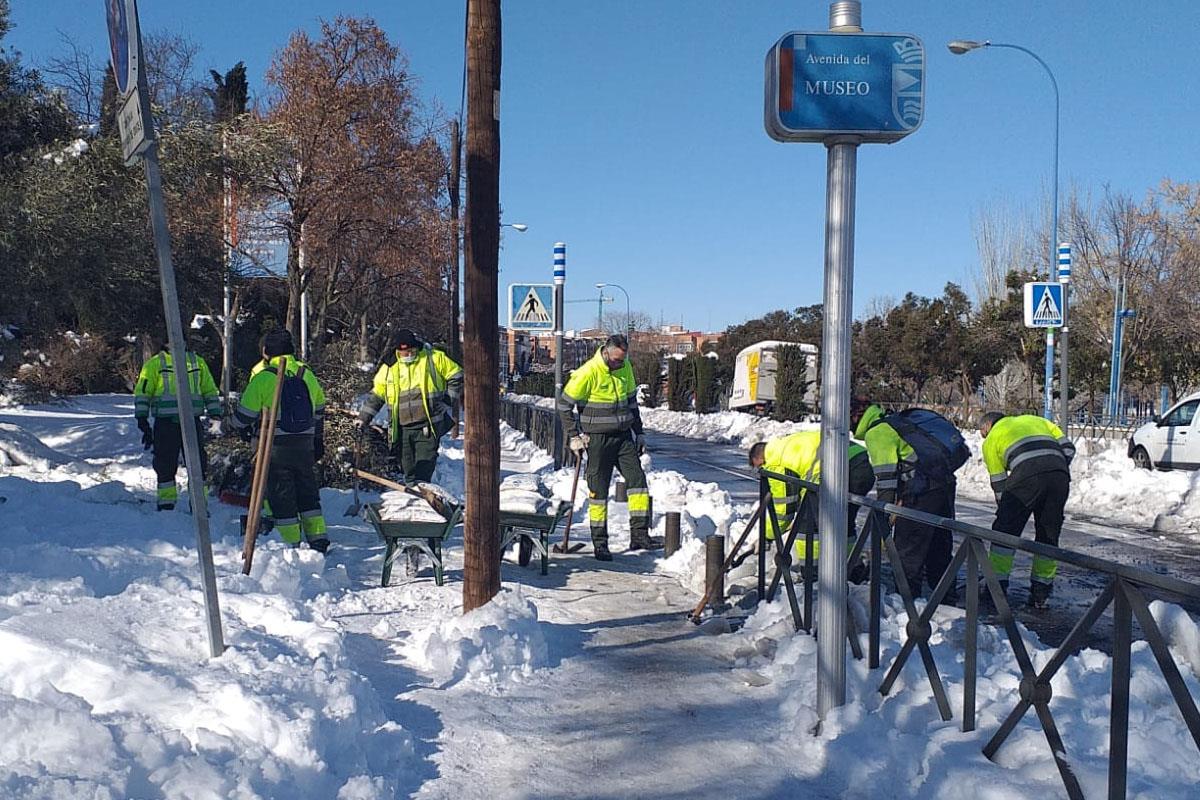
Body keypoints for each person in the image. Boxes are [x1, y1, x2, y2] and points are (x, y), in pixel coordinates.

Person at [851, 398, 970, 602]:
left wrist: (884, 516)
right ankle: (946, 600)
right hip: (943, 484)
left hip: (921, 491)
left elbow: (886, 480)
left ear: (854, 418)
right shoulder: (895, 422)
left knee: (907, 551)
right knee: (939, 545)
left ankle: (907, 605)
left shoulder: (877, 432)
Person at [230, 330, 329, 553]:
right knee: (307, 491)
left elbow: (244, 416)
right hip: (304, 445)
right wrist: (317, 438)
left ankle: (290, 544)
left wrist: (234, 426)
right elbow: (321, 407)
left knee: (281, 495)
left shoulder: (265, 378)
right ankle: (318, 538)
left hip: (276, 448)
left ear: (266, 352)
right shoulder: (306, 374)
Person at [557, 334, 652, 560]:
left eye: (623, 359)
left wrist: (639, 432)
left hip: (623, 437)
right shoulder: (587, 373)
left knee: (637, 482)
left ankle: (639, 533)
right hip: (597, 439)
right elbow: (563, 406)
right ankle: (600, 543)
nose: (620, 364)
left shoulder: (625, 366)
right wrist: (574, 436)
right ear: (606, 352)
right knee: (598, 491)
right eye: (617, 360)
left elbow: (631, 402)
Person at [979, 411, 1075, 609]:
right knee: (1048, 534)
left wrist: (1005, 511)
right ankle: (1041, 593)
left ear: (987, 426)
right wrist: (1053, 465)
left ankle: (995, 587)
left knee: (1004, 533)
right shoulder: (1035, 419)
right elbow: (1069, 447)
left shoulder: (992, 439)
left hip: (1026, 475)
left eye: (982, 432)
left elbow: (999, 483)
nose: (982, 436)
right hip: (1059, 475)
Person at [748, 431, 874, 581]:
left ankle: (813, 576)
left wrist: (767, 536)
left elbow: (784, 511)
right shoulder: (785, 444)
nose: (762, 472)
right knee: (844, 522)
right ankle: (853, 570)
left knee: (806, 525)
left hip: (839, 470)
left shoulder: (775, 462)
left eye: (760, 468)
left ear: (760, 458)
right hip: (860, 463)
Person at [357, 329, 463, 486]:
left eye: (411, 351)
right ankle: (412, 493)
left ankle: (423, 494)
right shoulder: (389, 367)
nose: (407, 355)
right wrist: (363, 419)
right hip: (402, 428)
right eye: (403, 353)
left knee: (425, 464)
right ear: (397, 351)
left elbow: (456, 376)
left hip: (428, 424)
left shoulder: (432, 358)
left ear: (416, 347)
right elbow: (377, 396)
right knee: (407, 466)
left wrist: (447, 400)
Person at [133, 338, 223, 510]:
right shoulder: (155, 364)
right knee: (165, 464)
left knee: (197, 465)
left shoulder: (197, 362)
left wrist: (215, 414)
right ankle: (167, 504)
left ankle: (199, 506)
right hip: (166, 424)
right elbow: (143, 393)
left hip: (192, 422)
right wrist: (142, 420)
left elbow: (209, 391)